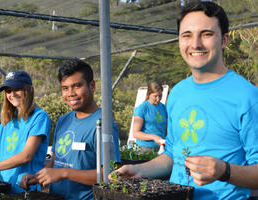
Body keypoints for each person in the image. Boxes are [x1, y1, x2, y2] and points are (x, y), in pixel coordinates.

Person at [110, 2, 258, 200]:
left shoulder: (247, 96)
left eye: (206, 34)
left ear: (224, 40)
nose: (195, 44)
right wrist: (140, 170)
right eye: (186, 35)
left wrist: (224, 170)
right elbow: (172, 155)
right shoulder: (178, 93)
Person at [20, 58, 121, 200]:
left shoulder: (104, 124)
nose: (70, 93)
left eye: (77, 86)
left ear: (92, 86)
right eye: (65, 88)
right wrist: (39, 177)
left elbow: (111, 175)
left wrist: (64, 173)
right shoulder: (63, 121)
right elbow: (55, 161)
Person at [132, 81, 167, 152]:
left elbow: (166, 128)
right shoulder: (142, 108)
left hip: (160, 148)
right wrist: (153, 137)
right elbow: (135, 133)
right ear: (149, 94)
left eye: (160, 96)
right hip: (144, 149)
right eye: (155, 96)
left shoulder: (163, 108)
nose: (158, 99)